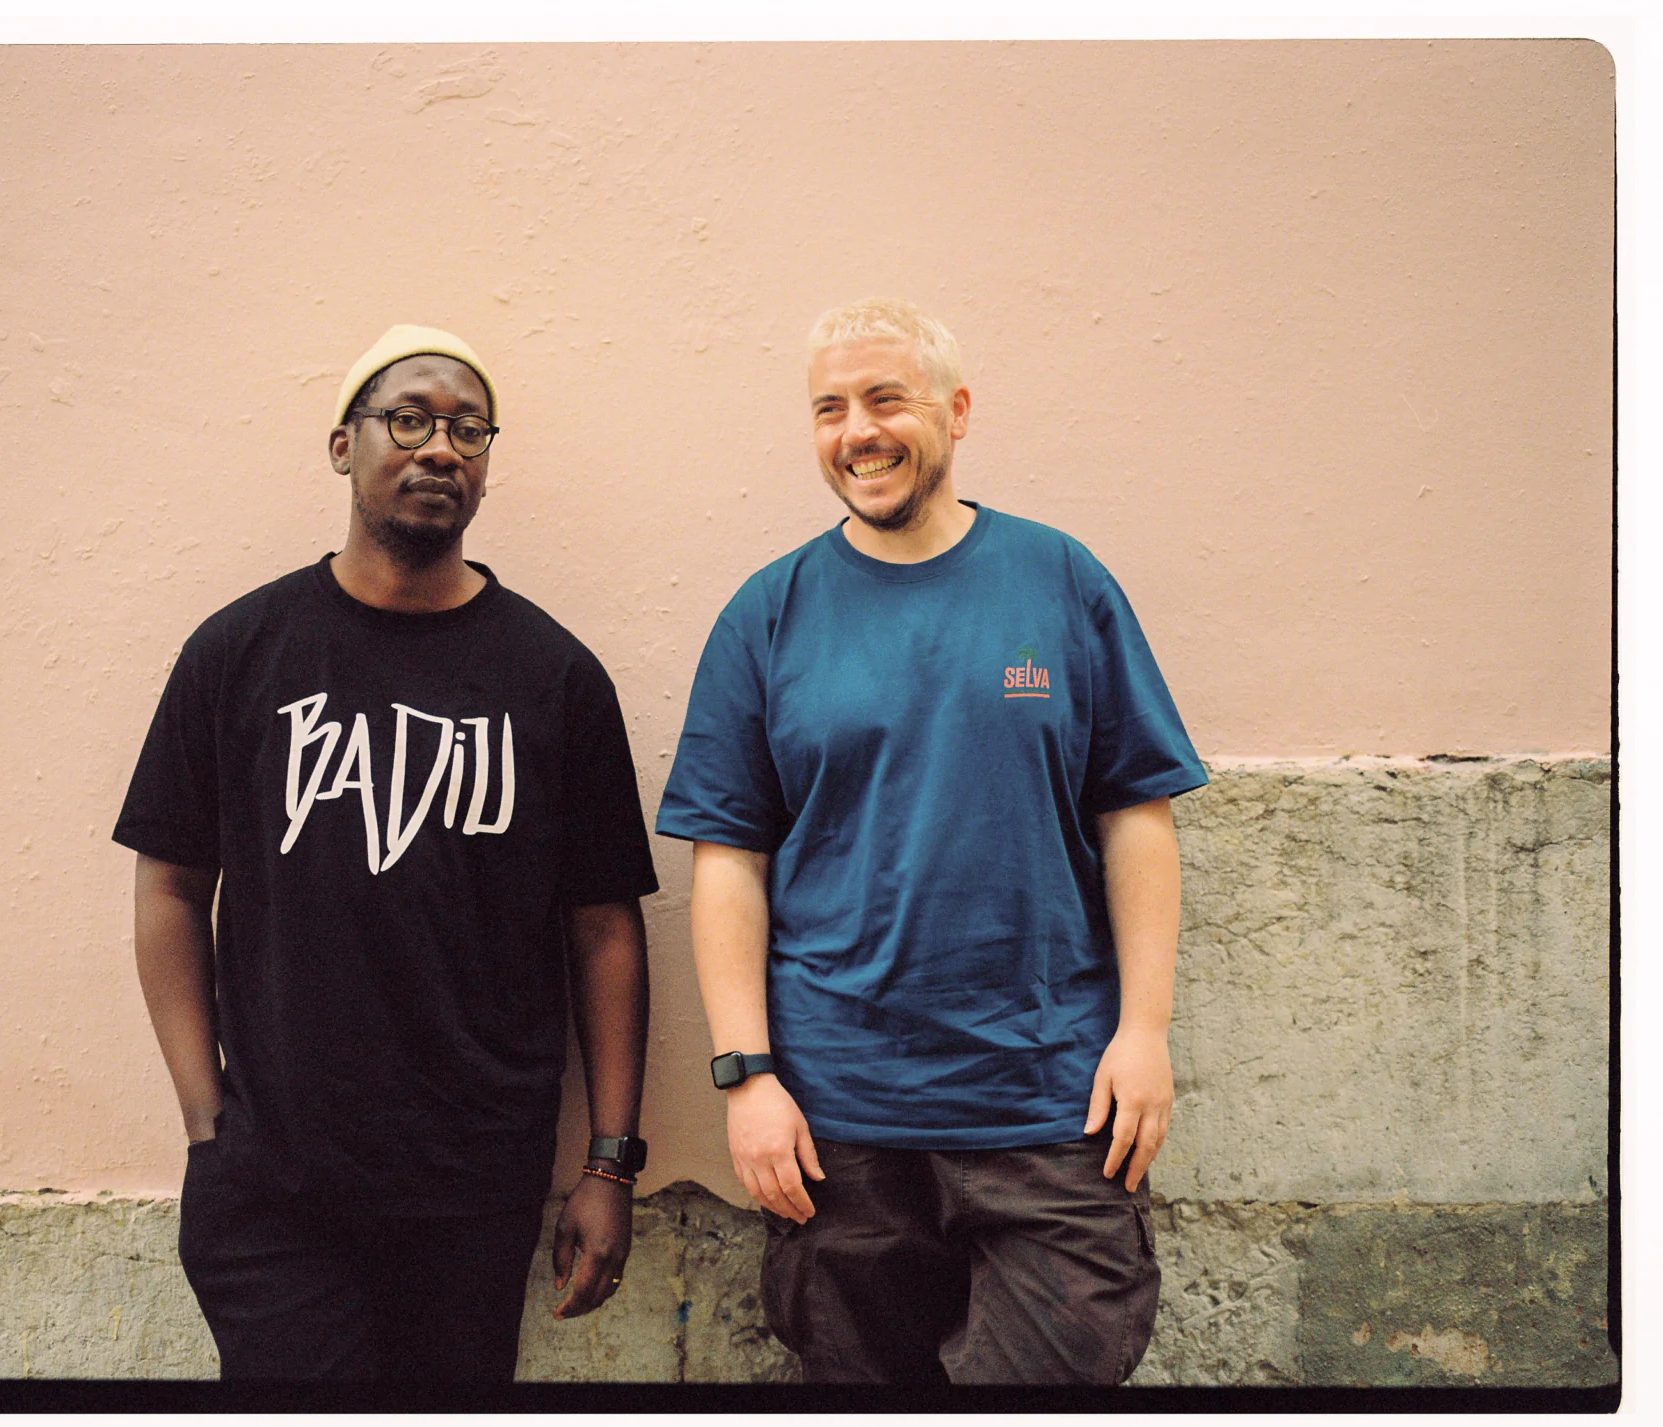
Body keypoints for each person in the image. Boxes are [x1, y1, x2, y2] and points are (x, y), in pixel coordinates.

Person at [655, 298, 1207, 1385]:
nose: (857, 431)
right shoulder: (768, 613)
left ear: (956, 410)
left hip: (1048, 1102)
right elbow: (728, 859)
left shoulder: (1062, 581)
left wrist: (1145, 1030)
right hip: (839, 1123)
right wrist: (746, 1077)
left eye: (884, 399)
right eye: (829, 408)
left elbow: (1136, 812)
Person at [114, 324, 658, 1383]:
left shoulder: (554, 676)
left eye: (468, 429)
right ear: (342, 445)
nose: (440, 447)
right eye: (408, 419)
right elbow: (171, 885)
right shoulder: (239, 652)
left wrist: (609, 1166)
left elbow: (604, 930)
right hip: (274, 1189)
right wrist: (204, 1119)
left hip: (474, 1191)